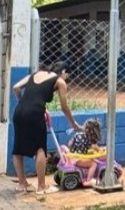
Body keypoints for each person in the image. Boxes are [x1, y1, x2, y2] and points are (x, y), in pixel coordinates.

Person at [11, 61, 79, 195]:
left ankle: (22, 184)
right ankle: (41, 187)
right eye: (68, 76)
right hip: (35, 114)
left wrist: (23, 103)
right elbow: (64, 107)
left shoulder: (35, 74)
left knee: (18, 148)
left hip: (19, 112)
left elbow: (16, 87)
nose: (67, 79)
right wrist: (73, 124)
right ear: (64, 71)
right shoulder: (60, 81)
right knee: (40, 148)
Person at [67, 118, 105, 187]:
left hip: (72, 157)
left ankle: (86, 175)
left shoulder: (77, 134)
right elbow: (96, 148)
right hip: (78, 159)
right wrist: (101, 150)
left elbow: (70, 144)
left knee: (89, 157)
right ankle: (89, 180)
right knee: (94, 163)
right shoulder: (89, 138)